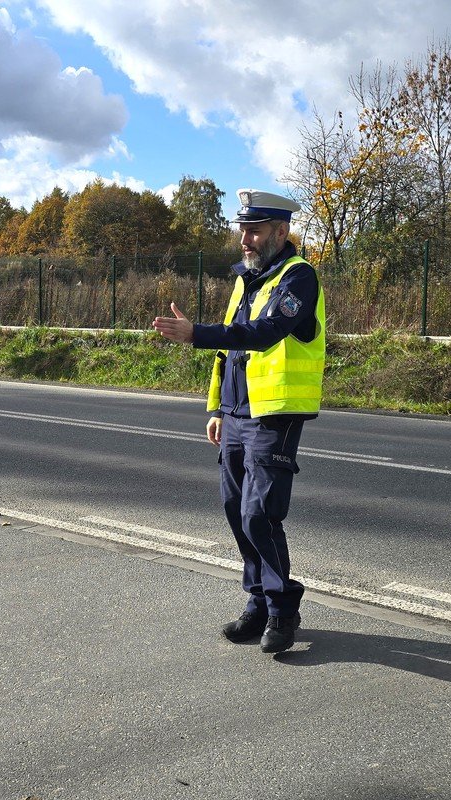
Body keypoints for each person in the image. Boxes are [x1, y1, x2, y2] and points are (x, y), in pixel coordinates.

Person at [152, 189, 325, 654]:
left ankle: (283, 608)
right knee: (235, 510)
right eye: (242, 229)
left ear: (281, 231)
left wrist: (196, 334)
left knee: (258, 514)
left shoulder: (298, 278)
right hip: (236, 414)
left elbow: (265, 334)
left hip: (276, 413)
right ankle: (258, 602)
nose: (245, 239)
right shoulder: (246, 279)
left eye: (255, 230)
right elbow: (230, 352)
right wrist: (215, 408)